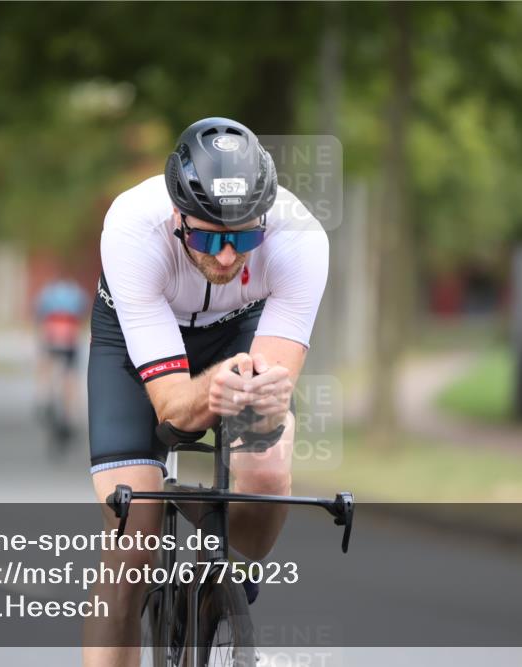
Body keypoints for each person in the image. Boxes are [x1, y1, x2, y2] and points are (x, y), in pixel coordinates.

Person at [84, 117, 328, 663]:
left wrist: (257, 402)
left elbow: (270, 390)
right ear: (177, 217)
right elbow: (174, 409)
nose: (225, 256)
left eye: (243, 237)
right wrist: (214, 388)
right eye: (207, 236)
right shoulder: (130, 227)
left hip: (239, 331)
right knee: (134, 536)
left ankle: (218, 598)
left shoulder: (300, 238)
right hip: (133, 340)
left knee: (266, 474)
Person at [34, 270, 89, 433]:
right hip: (70, 337)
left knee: (46, 364)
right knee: (70, 375)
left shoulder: (48, 292)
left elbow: (40, 314)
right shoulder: (77, 292)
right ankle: (70, 413)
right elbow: (83, 313)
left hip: (51, 335)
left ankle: (45, 395)